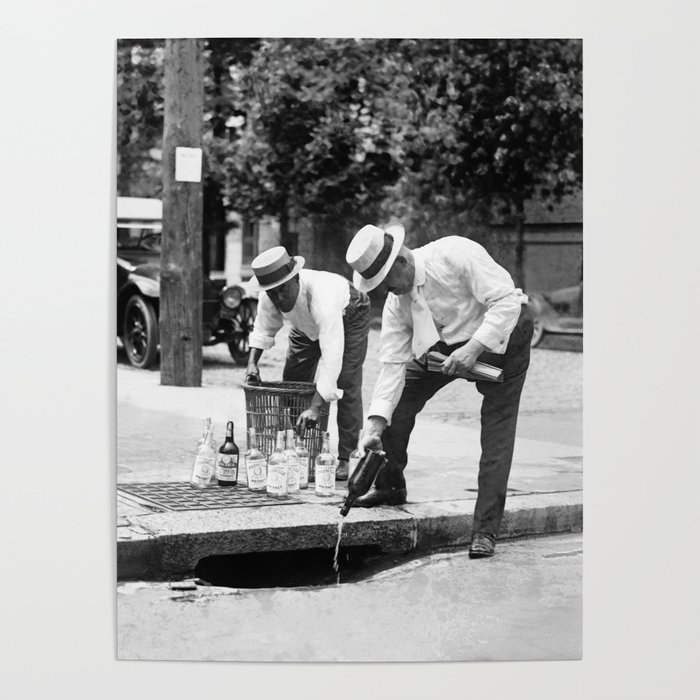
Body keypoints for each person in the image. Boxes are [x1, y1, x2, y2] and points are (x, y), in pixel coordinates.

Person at [345, 223, 533, 557]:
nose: (389, 292)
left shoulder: (454, 254)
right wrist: (373, 426)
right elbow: (391, 365)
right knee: (398, 406)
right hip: (444, 346)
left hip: (504, 335)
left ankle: (485, 530)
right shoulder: (396, 302)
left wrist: (474, 348)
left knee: (496, 433)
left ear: (401, 261)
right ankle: (390, 486)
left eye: (387, 283)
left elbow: (506, 302)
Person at [246, 246, 371, 479]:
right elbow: (263, 328)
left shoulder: (323, 299)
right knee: (293, 381)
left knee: (345, 383)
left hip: (348, 312)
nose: (279, 299)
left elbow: (332, 356)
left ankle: (346, 457)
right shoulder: (270, 296)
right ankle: (300, 445)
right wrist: (252, 364)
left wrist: (315, 406)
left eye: (283, 291)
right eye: (273, 294)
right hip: (303, 325)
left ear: (295, 279)